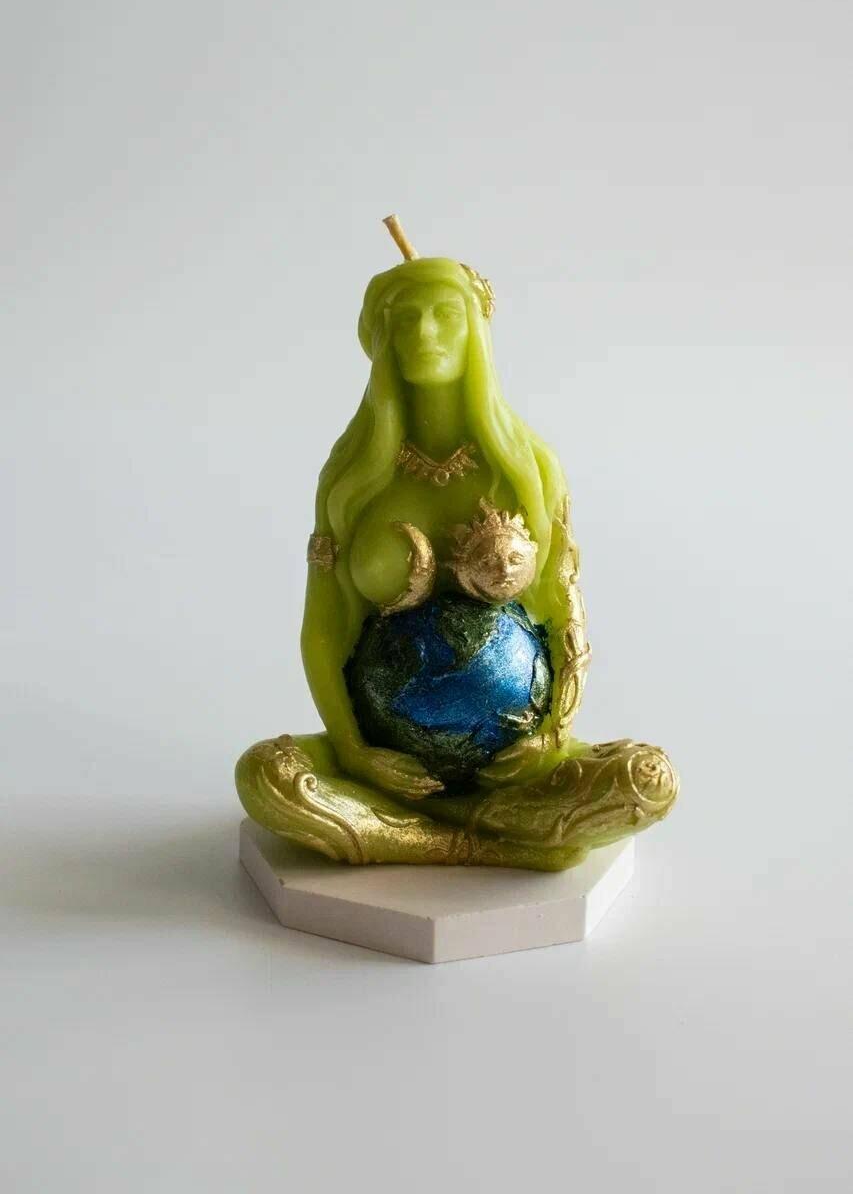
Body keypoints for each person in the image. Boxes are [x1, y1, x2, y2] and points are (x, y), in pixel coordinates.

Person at [236, 231, 678, 869]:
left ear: (477, 331)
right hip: (380, 766)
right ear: (379, 339)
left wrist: (553, 733)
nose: (425, 333)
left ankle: (407, 833)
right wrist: (355, 753)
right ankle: (483, 841)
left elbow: (564, 610)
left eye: (444, 315)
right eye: (405, 320)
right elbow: (325, 628)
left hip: (514, 762)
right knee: (265, 775)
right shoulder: (352, 478)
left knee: (647, 778)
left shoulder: (528, 469)